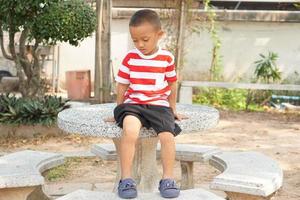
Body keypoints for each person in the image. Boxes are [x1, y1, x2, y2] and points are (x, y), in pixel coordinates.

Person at [112, 9, 185, 199]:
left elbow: (172, 83)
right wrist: (118, 110)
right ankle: (127, 179)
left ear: (159, 35)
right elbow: (122, 86)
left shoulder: (166, 58)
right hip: (133, 105)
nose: (140, 44)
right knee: (129, 131)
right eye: (135, 40)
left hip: (159, 105)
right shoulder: (130, 58)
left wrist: (173, 109)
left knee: (168, 136)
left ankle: (168, 178)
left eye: (145, 39)